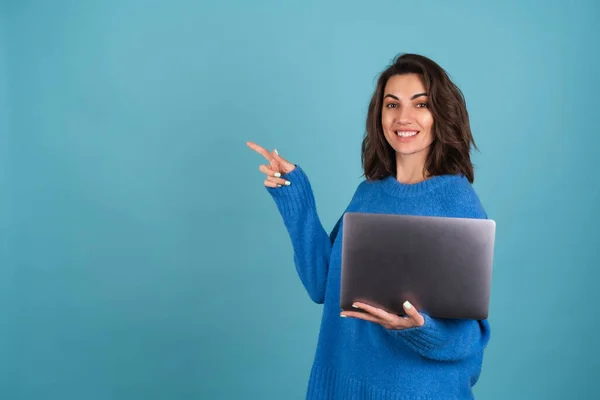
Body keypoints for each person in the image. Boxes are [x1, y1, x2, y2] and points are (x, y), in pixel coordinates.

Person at [247, 53, 490, 399]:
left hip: (418, 392)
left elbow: (471, 337)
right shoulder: (368, 194)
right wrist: (294, 193)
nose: (403, 117)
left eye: (420, 104)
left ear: (440, 115)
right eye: (392, 105)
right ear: (379, 115)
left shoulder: (457, 203)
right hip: (344, 384)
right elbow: (322, 283)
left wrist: (418, 329)